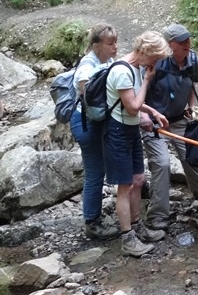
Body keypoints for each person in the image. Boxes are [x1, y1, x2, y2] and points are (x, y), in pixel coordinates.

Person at [103, 31, 172, 257]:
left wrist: (152, 111)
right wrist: (146, 81)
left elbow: (133, 104)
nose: (154, 63)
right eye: (154, 58)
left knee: (139, 180)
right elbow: (132, 106)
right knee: (124, 187)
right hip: (117, 131)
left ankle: (137, 225)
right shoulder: (123, 71)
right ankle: (127, 239)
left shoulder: (133, 68)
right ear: (144, 52)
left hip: (130, 128)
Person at [141, 24, 198, 231]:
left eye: (188, 40)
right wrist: (144, 115)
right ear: (170, 45)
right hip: (155, 123)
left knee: (191, 154)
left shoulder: (193, 59)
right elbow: (141, 90)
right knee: (162, 163)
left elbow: (191, 85)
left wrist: (191, 108)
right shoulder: (157, 63)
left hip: (179, 118)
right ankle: (157, 215)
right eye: (182, 42)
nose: (187, 44)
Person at [69, 23, 120, 240]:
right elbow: (84, 84)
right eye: (110, 43)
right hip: (85, 123)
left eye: (116, 42)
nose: (115, 47)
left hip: (99, 121)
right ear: (97, 46)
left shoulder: (107, 60)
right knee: (95, 171)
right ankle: (92, 221)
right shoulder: (87, 64)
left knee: (109, 164)